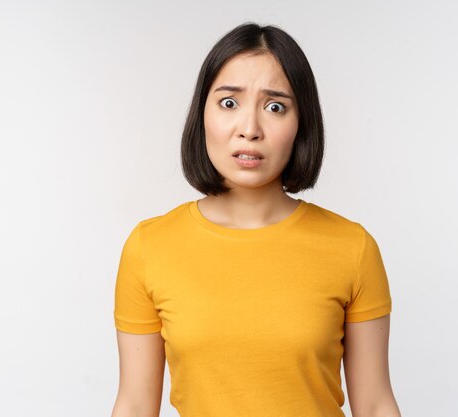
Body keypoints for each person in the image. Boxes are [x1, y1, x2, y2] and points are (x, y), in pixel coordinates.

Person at [111, 22, 401, 417]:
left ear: (301, 124)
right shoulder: (150, 247)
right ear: (203, 114)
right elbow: (134, 405)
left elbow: (375, 405)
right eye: (229, 103)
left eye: (275, 106)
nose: (249, 129)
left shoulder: (352, 248)